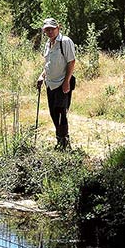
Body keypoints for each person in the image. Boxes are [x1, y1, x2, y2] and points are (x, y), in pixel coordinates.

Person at [36, 18, 76, 149]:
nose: (50, 31)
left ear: (58, 28)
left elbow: (71, 62)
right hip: (50, 83)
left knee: (61, 112)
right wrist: (42, 76)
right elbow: (48, 64)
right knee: (53, 112)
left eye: (52, 29)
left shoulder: (65, 41)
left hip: (62, 83)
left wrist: (66, 82)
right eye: (47, 29)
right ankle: (59, 139)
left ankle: (64, 142)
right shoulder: (48, 43)